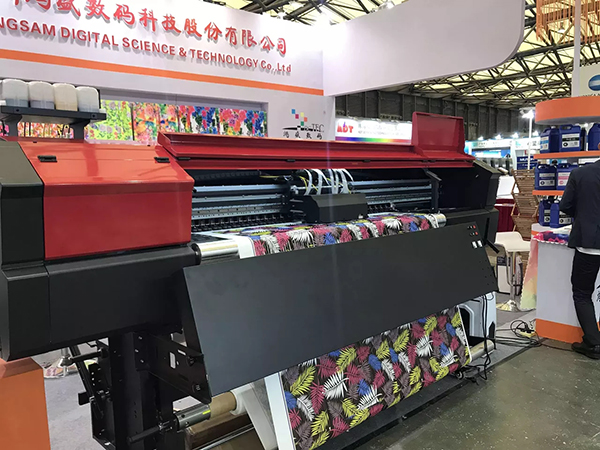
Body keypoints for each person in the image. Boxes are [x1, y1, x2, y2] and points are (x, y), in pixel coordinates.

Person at [560, 160, 600, 359]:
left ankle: (593, 343)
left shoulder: (581, 173)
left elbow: (565, 205)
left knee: (582, 293)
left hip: (589, 242)